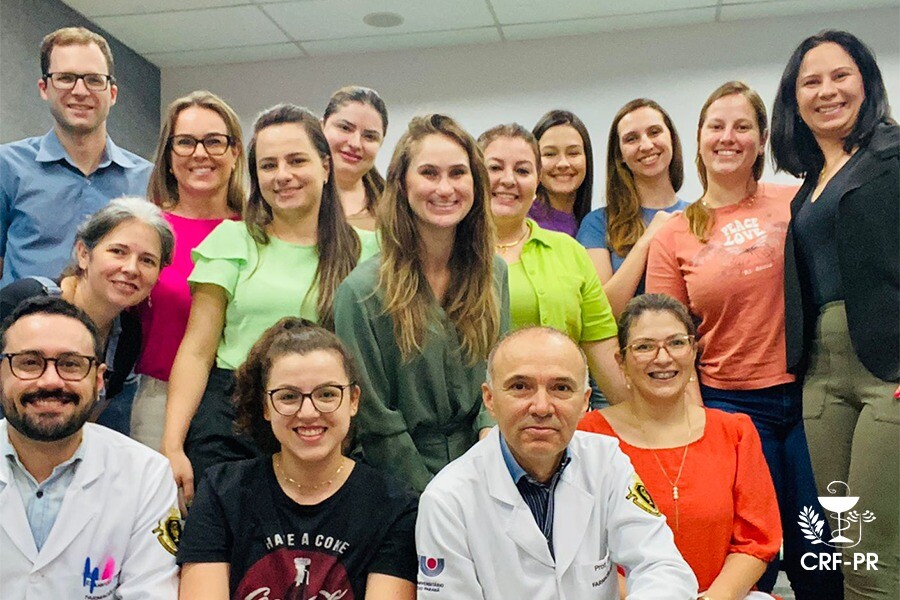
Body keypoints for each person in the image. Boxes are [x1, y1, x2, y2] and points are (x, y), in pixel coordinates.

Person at [646, 81, 841, 598]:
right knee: (752, 552)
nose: (727, 137)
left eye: (742, 127)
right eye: (716, 126)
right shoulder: (674, 232)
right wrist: (692, 422)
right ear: (700, 137)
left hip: (809, 394)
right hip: (730, 406)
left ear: (761, 140)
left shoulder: (796, 202)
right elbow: (669, 337)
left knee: (818, 549)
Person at [163, 104, 378, 504]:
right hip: (233, 421)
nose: (283, 176)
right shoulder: (232, 240)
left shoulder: (370, 251)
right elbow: (196, 350)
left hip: (327, 421)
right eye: (268, 165)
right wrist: (172, 445)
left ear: (326, 166)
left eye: (297, 160)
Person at [415, 326, 698, 599]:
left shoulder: (606, 462)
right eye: (520, 387)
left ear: (585, 401)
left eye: (561, 388)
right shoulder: (447, 501)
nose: (541, 407)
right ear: (490, 399)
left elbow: (663, 566)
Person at [771, 30, 899, 600]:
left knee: (878, 557)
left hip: (886, 371)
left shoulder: (893, 157)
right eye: (811, 81)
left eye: (840, 75)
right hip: (823, 380)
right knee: (848, 545)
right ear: (794, 100)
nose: (827, 91)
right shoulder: (806, 189)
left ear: (867, 82)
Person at [177, 318, 417, 600]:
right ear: (266, 407)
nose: (307, 412)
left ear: (353, 400)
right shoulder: (221, 491)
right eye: (289, 396)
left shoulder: (394, 506)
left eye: (327, 394)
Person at [334, 114, 509, 493]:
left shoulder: (494, 273)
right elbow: (374, 419)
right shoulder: (361, 293)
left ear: (476, 183)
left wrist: (488, 456)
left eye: (458, 173)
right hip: (397, 482)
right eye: (429, 173)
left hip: (485, 469)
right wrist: (431, 499)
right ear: (402, 183)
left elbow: (502, 374)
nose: (445, 188)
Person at [579, 294, 781, 600]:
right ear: (621, 361)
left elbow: (756, 542)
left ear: (694, 351)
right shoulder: (588, 438)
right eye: (645, 346)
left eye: (676, 343)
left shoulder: (735, 431)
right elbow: (579, 549)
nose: (662, 358)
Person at [0, 296, 178, 599]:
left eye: (71, 364)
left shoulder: (147, 475)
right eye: (29, 363)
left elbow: (150, 594)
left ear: (98, 380)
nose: (50, 381)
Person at [478, 123, 627, 406]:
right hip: (478, 430)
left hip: (563, 422)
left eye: (522, 171)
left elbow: (604, 353)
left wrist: (641, 421)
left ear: (537, 183)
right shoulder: (453, 254)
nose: (508, 180)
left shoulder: (569, 251)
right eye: (495, 168)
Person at [130, 91, 245, 450]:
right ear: (168, 155)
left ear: (235, 152)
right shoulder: (145, 229)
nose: (200, 153)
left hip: (239, 403)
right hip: (159, 400)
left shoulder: (256, 231)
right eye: (185, 142)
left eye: (214, 141)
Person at [0, 197, 174, 433]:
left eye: (147, 260)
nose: (131, 269)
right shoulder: (20, 301)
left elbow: (79, 426)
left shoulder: (128, 337)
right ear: (83, 254)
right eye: (118, 252)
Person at [0, 27, 152, 287]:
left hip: (116, 328)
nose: (80, 91)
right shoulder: (7, 166)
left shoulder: (147, 179)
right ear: (44, 88)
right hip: (23, 323)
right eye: (66, 78)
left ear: (112, 93)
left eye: (94, 80)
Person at [577, 99, 691, 316]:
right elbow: (603, 312)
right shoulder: (597, 224)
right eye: (632, 139)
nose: (646, 145)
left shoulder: (700, 216)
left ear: (672, 139)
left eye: (655, 132)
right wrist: (649, 239)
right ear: (619, 155)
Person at [322, 86, 388, 230]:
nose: (355, 144)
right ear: (321, 127)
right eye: (345, 128)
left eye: (370, 136)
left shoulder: (395, 207)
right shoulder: (294, 195)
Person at [527, 110, 594, 237]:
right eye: (550, 154)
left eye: (573, 153)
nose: (563, 164)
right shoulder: (523, 225)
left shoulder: (593, 225)